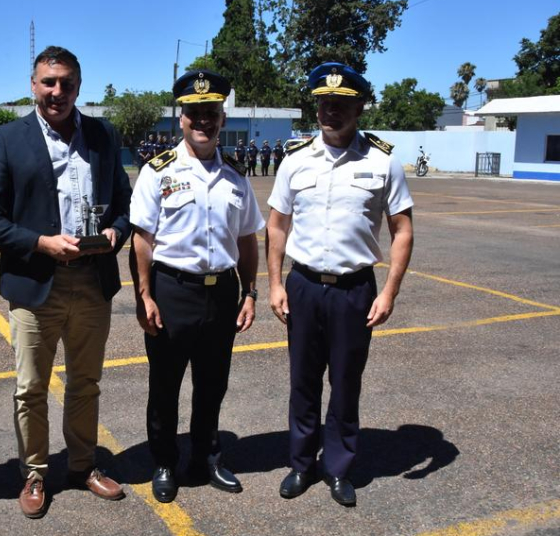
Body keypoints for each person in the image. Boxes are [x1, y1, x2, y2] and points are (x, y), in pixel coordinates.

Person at [0, 45, 132, 519]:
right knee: (31, 388)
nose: (57, 92)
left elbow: (125, 208)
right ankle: (36, 473)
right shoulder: (8, 139)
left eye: (66, 83)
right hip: (35, 283)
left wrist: (114, 234)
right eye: (48, 82)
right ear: (33, 85)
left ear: (78, 86)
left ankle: (83, 466)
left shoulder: (103, 135)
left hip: (91, 282)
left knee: (86, 383)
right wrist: (41, 243)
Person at [266, 62, 414, 507]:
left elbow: (402, 230)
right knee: (303, 381)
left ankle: (338, 468)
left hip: (355, 290)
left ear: (359, 107)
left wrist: (389, 292)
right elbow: (276, 226)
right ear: (316, 108)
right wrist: (275, 284)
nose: (332, 111)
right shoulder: (294, 161)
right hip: (304, 286)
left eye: (342, 104)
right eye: (324, 103)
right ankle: (300, 464)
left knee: (346, 382)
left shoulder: (383, 161)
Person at [129, 70, 264, 503]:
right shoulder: (157, 171)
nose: (202, 121)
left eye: (211, 114)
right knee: (165, 385)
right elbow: (142, 241)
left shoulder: (237, 176)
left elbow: (247, 239)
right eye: (194, 114)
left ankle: (206, 458)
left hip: (222, 293)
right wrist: (144, 295)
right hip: (173, 291)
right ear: (181, 118)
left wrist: (250, 292)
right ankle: (166, 461)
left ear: (222, 117)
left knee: (213, 383)